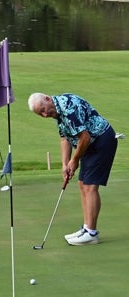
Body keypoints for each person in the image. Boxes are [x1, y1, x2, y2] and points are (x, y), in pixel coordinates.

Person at [28, 92, 117, 246]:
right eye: (40, 114)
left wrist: (75, 160)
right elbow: (65, 138)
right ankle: (86, 227)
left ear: (48, 99)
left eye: (43, 109)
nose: (44, 114)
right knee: (82, 184)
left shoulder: (69, 108)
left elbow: (85, 137)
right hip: (89, 145)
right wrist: (65, 164)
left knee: (90, 187)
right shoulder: (57, 112)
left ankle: (91, 233)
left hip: (101, 140)